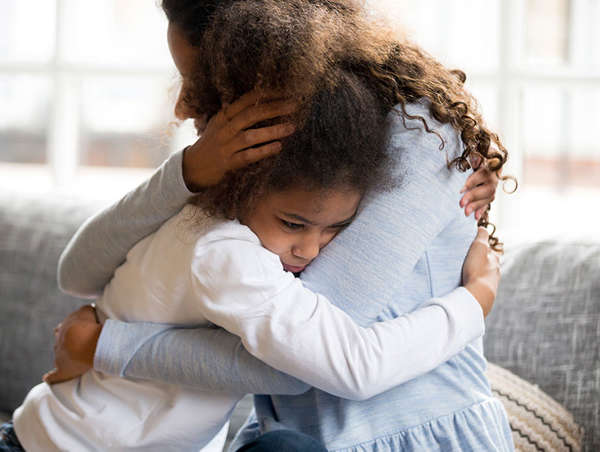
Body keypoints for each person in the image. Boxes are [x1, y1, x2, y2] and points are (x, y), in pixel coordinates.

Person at [10, 0, 513, 450]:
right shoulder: (262, 171)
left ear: (257, 56)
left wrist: (102, 345)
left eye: (196, 78)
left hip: (408, 435)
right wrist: (185, 173)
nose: (183, 105)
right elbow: (77, 272)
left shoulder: (419, 135)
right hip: (288, 435)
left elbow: (303, 362)